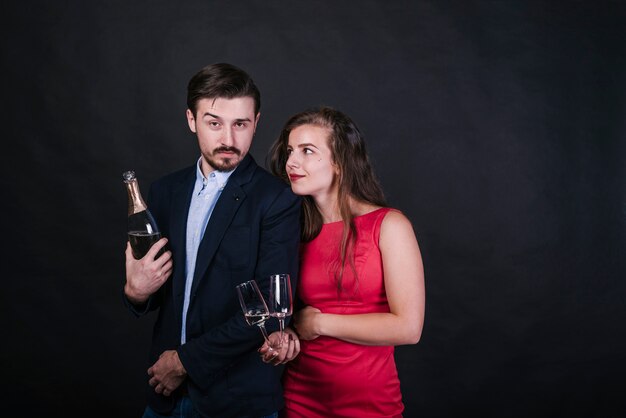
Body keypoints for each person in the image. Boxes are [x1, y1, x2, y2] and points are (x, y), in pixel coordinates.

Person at [123, 63, 301, 418]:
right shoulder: (164, 191)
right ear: (191, 120)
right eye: (214, 122)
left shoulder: (277, 199)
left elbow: (268, 308)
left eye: (241, 124)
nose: (229, 140)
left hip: (237, 400)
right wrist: (136, 292)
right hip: (164, 395)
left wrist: (184, 362)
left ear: (257, 121)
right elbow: (159, 292)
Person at [264, 106, 425, 417]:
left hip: (370, 405)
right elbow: (283, 309)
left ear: (339, 162)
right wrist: (287, 333)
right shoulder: (294, 230)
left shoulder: (389, 225)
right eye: (290, 151)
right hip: (299, 399)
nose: (292, 162)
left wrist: (318, 323)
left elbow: (408, 327)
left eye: (307, 151)